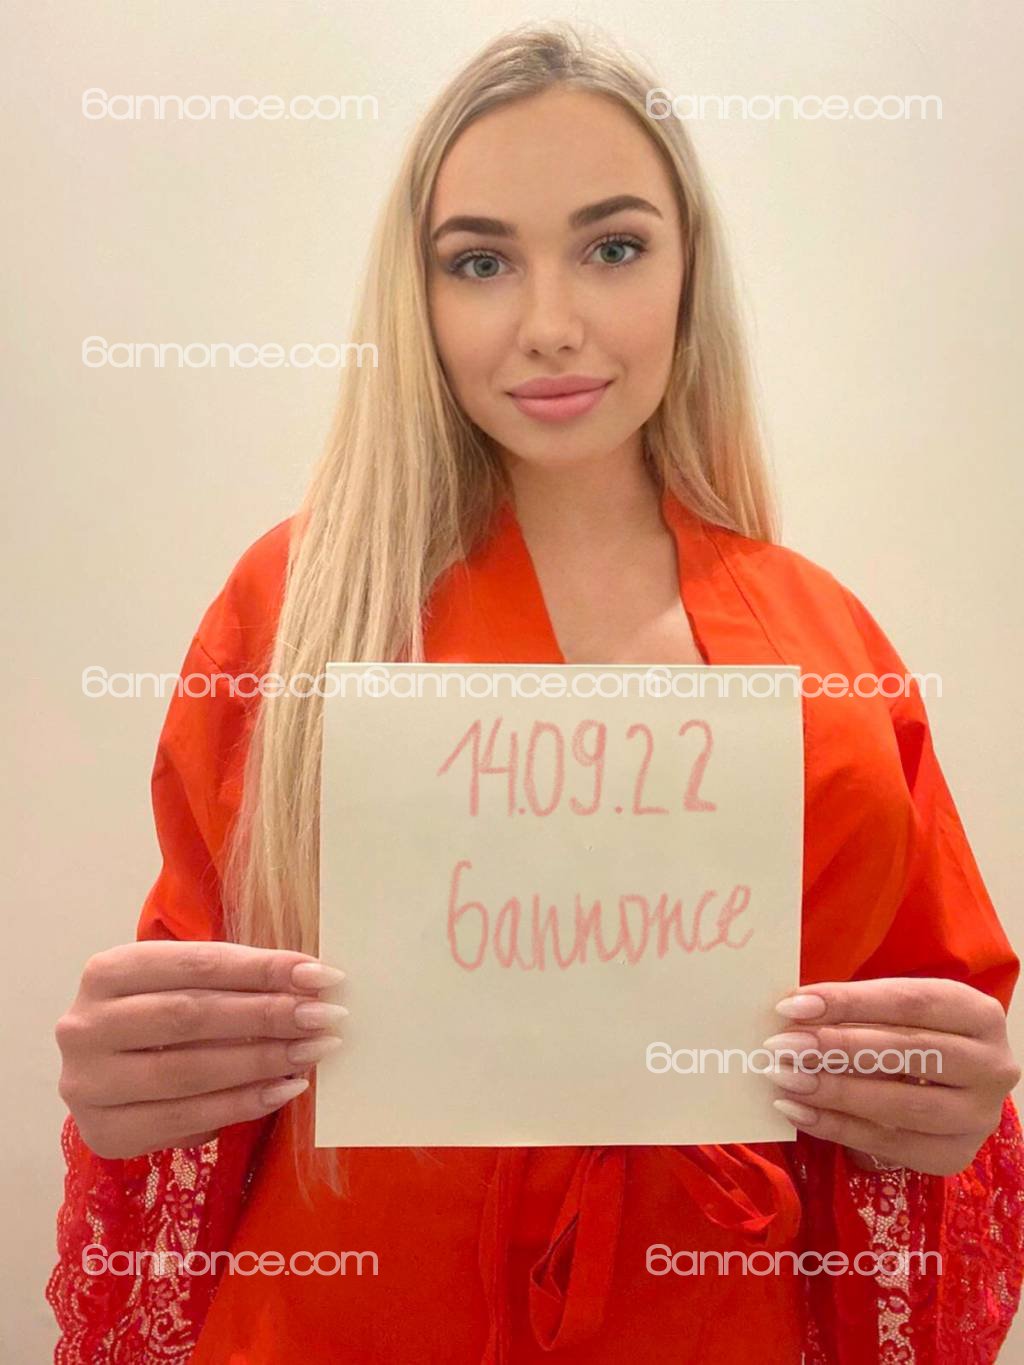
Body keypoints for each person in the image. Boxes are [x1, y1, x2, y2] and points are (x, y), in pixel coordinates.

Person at [47, 21, 1024, 1364]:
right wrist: (135, 1089)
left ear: (688, 270)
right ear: (419, 295)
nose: (551, 324)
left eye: (613, 247)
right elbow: (190, 1035)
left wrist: (951, 1115)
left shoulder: (828, 650)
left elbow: (930, 1064)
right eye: (481, 261)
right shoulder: (295, 611)